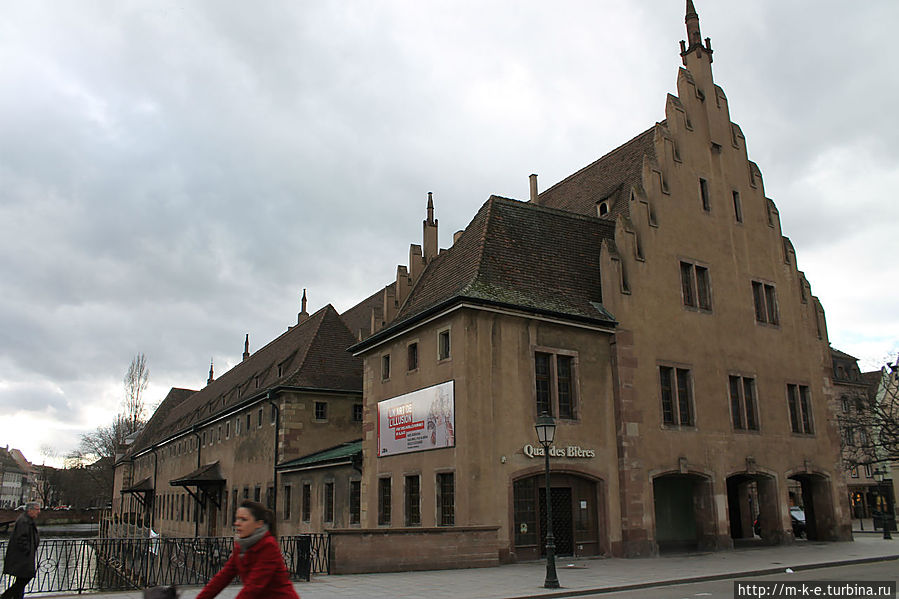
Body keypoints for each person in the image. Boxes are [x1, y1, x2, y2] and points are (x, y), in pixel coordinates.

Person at [196, 500, 299, 599]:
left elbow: (253, 586)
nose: (237, 523)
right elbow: (222, 578)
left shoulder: (268, 546)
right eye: (237, 519)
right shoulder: (242, 546)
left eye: (243, 519)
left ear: (259, 524)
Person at [1, 502, 41, 599]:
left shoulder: (27, 520)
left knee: (21, 579)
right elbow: (21, 538)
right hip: (22, 557)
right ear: (29, 510)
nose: (39, 512)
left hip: (23, 556)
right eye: (37, 509)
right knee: (25, 578)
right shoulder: (24, 521)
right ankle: (5, 596)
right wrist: (27, 550)